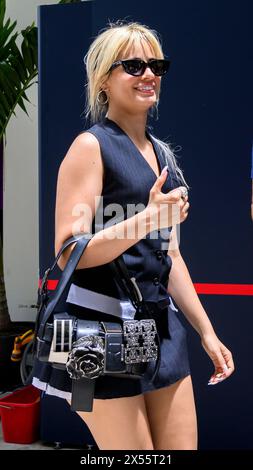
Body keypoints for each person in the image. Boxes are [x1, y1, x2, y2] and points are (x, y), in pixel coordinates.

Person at [32, 21, 234, 450]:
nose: (149, 74)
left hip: (159, 330)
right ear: (104, 79)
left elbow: (171, 257)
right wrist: (147, 217)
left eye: (156, 64)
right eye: (134, 65)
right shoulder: (90, 147)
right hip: (95, 331)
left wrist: (206, 332)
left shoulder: (163, 155)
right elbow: (69, 251)